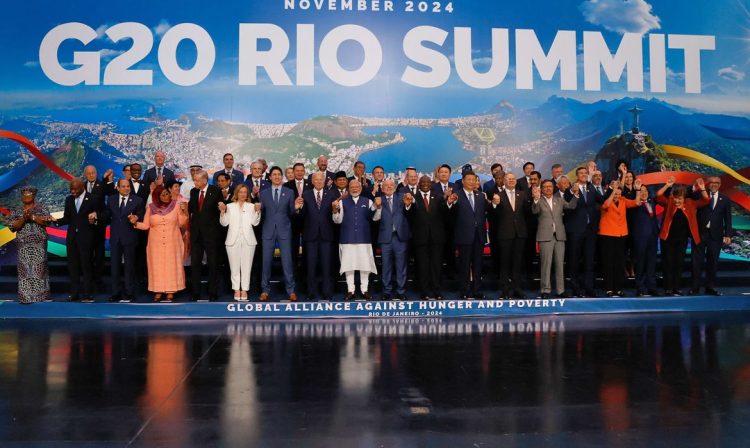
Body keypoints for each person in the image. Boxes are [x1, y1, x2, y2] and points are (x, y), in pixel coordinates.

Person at [132, 185, 188, 301]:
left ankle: (171, 291)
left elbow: (182, 223)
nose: (166, 196)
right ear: (157, 196)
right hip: (155, 244)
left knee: (171, 266)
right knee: (157, 266)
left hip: (172, 242)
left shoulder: (176, 205)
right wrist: (135, 223)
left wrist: (184, 211)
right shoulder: (150, 208)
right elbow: (146, 225)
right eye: (163, 194)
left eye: (167, 193)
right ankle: (158, 290)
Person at [655, 177, 710, 296]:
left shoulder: (690, 204)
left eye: (679, 199)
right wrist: (667, 185)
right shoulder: (669, 202)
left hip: (682, 240)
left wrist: (702, 188)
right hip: (667, 239)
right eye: (675, 198)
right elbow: (658, 195)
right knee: (668, 263)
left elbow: (706, 200)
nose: (677, 201)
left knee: (679, 264)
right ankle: (668, 288)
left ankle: (676, 288)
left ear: (684, 198)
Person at [95, 178, 145, 302]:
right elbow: (107, 215)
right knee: (115, 267)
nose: (126, 188)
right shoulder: (111, 199)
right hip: (115, 238)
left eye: (128, 186)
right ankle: (115, 293)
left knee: (129, 267)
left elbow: (142, 214)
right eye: (123, 186)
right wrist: (97, 217)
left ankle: (129, 293)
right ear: (118, 188)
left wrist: (136, 218)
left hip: (130, 238)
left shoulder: (138, 200)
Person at [258, 166, 303, 301]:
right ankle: (265, 290)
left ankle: (291, 290)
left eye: (279, 174)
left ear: (282, 177)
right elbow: (262, 213)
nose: (277, 177)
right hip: (268, 231)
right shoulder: (263, 193)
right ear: (270, 177)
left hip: (285, 230)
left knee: (287, 262)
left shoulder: (289, 192)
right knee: (266, 262)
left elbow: (291, 212)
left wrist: (296, 208)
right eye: (274, 174)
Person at [332, 180, 381, 300]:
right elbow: (337, 220)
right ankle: (350, 290)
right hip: (347, 239)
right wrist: (334, 211)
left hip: (364, 238)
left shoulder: (368, 201)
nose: (354, 189)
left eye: (357, 186)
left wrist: (378, 208)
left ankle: (364, 290)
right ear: (348, 188)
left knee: (365, 266)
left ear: (360, 188)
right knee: (348, 266)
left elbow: (375, 218)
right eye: (352, 187)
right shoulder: (342, 202)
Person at [531, 179, 579, 299]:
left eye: (550, 187)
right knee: (546, 265)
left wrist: (576, 194)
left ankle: (560, 290)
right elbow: (534, 211)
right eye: (546, 187)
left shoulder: (559, 199)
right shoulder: (539, 200)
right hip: (545, 237)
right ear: (541, 189)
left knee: (559, 264)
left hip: (559, 236)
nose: (548, 188)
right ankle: (545, 290)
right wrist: (535, 199)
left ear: (553, 188)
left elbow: (571, 206)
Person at [55, 178, 99, 302]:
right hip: (72, 238)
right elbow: (67, 218)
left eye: (75, 189)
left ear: (82, 188)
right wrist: (54, 221)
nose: (73, 192)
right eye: (71, 189)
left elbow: (102, 214)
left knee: (86, 266)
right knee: (73, 267)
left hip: (87, 238)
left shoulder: (93, 198)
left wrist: (95, 218)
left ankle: (87, 294)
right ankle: (74, 293)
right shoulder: (69, 200)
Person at [447, 171, 488, 300]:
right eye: (468, 179)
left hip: (479, 236)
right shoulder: (456, 195)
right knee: (464, 265)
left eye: (473, 180)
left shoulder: (481, 195)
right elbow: (449, 213)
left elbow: (486, 212)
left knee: (478, 265)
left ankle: (477, 290)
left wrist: (494, 203)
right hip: (464, 235)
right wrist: (449, 202)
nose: (471, 182)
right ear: (463, 181)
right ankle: (464, 290)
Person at [8, 186, 52, 304]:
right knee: (24, 270)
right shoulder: (17, 210)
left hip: (39, 244)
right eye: (24, 195)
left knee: (40, 270)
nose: (26, 196)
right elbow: (13, 227)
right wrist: (23, 218)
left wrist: (32, 217)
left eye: (28, 194)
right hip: (23, 245)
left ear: (34, 195)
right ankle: (25, 297)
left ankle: (41, 297)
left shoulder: (42, 208)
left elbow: (47, 221)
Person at [489, 173, 529, 299]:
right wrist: (494, 204)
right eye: (508, 179)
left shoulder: (522, 194)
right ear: (503, 181)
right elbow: (492, 214)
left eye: (513, 179)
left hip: (520, 233)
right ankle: (504, 289)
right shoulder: (498, 196)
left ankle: (517, 288)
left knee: (518, 262)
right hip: (505, 234)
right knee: (505, 263)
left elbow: (528, 212)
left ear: (516, 181)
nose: (511, 181)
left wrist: (536, 199)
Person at [691, 176, 733, 296]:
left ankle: (710, 287)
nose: (714, 184)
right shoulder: (700, 195)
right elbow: (691, 194)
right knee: (696, 262)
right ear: (708, 184)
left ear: (720, 184)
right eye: (712, 182)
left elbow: (728, 218)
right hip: (700, 233)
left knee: (713, 262)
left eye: (717, 183)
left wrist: (728, 234)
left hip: (716, 235)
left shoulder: (725, 199)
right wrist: (696, 185)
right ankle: (695, 288)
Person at [598, 179, 641, 297]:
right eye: (615, 193)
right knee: (608, 262)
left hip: (621, 234)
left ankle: (618, 288)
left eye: (618, 193)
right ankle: (609, 288)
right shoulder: (606, 200)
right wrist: (612, 192)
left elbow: (636, 203)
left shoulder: (623, 200)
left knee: (619, 263)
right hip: (607, 235)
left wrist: (637, 190)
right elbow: (606, 205)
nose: (617, 195)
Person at [219, 184, 262, 301]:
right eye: (240, 192)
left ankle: (244, 290)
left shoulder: (252, 206)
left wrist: (258, 212)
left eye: (245, 192)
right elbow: (224, 223)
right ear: (236, 193)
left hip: (249, 240)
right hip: (232, 240)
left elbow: (255, 223)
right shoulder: (230, 206)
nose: (243, 194)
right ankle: (236, 289)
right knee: (234, 266)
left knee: (246, 266)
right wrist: (222, 212)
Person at [563, 167, 602, 297]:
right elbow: (567, 206)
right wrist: (572, 193)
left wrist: (613, 189)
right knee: (574, 260)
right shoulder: (570, 190)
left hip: (590, 230)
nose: (584, 175)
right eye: (581, 173)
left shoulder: (591, 188)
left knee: (589, 261)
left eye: (586, 173)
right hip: (575, 230)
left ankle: (589, 288)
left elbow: (602, 200)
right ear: (576, 176)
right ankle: (575, 288)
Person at [409, 175, 449, 299]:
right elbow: (408, 215)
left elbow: (445, 212)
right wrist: (407, 205)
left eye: (427, 182)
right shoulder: (413, 197)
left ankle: (437, 291)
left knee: (436, 266)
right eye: (423, 182)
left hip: (437, 238)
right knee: (422, 266)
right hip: (420, 238)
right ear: (419, 184)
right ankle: (424, 292)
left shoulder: (438, 197)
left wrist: (448, 202)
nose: (425, 184)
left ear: (431, 184)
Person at [300, 172, 338, 300]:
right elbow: (302, 216)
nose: (319, 181)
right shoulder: (305, 195)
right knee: (310, 266)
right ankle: (311, 292)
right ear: (312, 181)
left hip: (326, 235)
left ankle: (327, 292)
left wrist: (335, 210)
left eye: (321, 179)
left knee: (326, 265)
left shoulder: (332, 195)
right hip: (310, 235)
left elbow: (335, 216)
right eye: (316, 179)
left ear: (324, 180)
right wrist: (298, 208)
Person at [188, 170, 223, 301]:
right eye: (194, 180)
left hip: (212, 235)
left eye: (196, 180)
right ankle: (195, 292)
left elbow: (219, 212)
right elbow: (192, 210)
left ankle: (212, 292)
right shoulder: (193, 191)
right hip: (196, 234)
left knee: (213, 264)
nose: (194, 182)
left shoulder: (215, 191)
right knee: (195, 264)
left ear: (204, 180)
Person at [377, 179, 413, 301]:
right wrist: (375, 206)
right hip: (385, 237)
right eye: (386, 185)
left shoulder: (402, 197)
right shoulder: (379, 199)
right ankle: (386, 291)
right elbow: (372, 215)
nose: (388, 187)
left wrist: (408, 203)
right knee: (386, 266)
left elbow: (414, 206)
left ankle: (401, 291)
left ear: (395, 187)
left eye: (391, 185)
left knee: (401, 265)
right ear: (382, 188)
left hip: (400, 237)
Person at [82, 165, 115, 286]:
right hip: (85, 226)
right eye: (89, 173)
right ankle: (88, 276)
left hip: (99, 224)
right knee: (87, 252)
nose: (91, 175)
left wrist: (109, 180)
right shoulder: (82, 186)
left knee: (99, 252)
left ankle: (98, 277)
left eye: (93, 172)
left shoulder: (102, 184)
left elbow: (111, 193)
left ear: (96, 173)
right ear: (85, 174)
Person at [631, 183, 660, 297]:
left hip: (652, 238)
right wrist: (637, 191)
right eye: (641, 191)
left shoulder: (651, 202)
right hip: (640, 238)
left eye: (646, 191)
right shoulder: (635, 203)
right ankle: (640, 287)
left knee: (651, 263)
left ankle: (651, 286)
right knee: (640, 263)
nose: (644, 193)